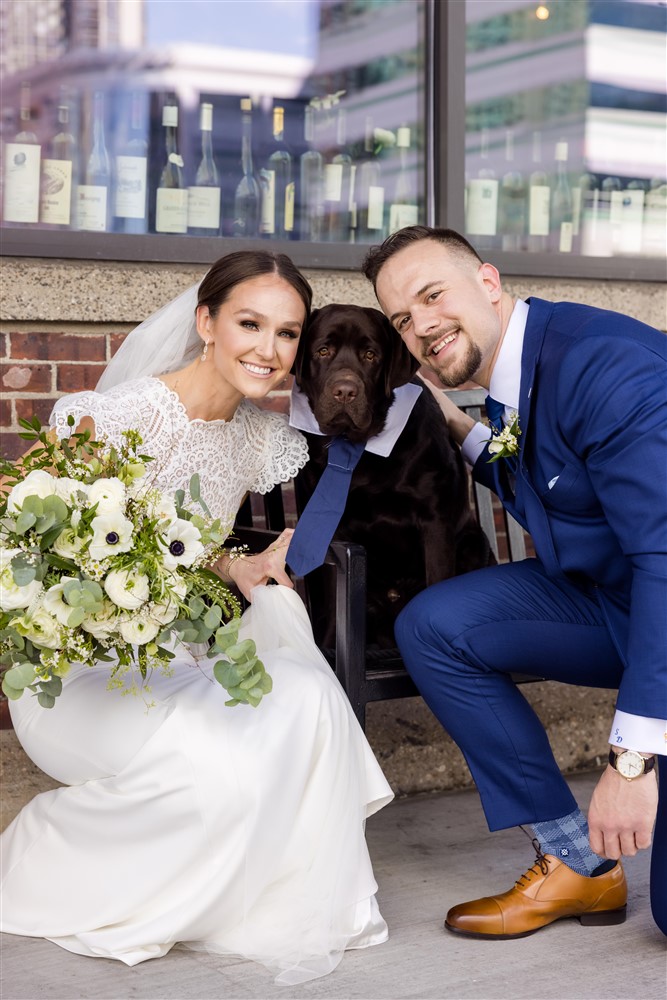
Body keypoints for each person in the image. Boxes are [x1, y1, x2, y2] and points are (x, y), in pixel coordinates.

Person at [0, 250, 393, 983]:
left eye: (285, 334)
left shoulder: (255, 437)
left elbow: (190, 542)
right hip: (79, 675)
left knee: (306, 697)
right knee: (219, 766)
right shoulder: (111, 418)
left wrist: (234, 565)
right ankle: (45, 851)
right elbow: (30, 547)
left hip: (175, 661)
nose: (267, 351)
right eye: (249, 323)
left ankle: (248, 898)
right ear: (206, 322)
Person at [361, 225, 666, 938]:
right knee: (437, 628)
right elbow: (551, 479)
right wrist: (450, 423)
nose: (422, 325)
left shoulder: (605, 369)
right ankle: (576, 864)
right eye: (403, 319)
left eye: (432, 296)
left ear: (489, 282)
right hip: (611, 601)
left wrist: (629, 762)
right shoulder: (512, 365)